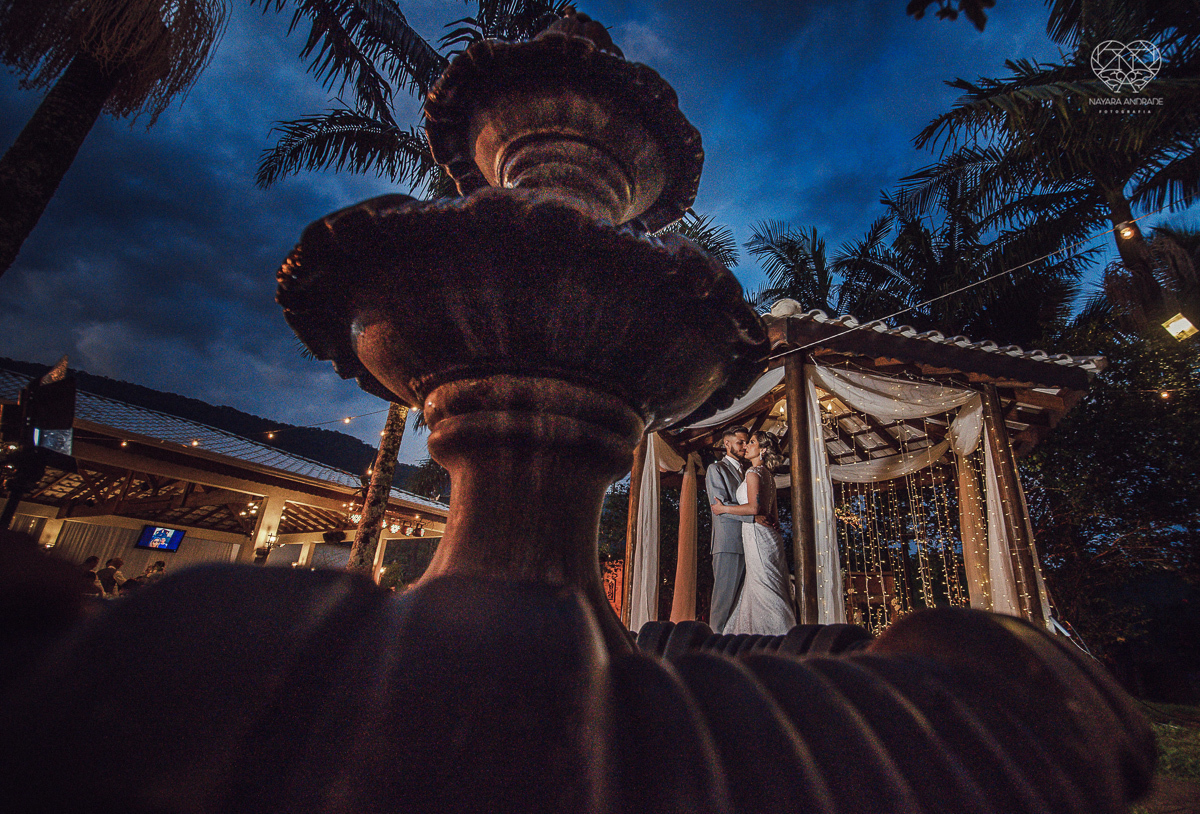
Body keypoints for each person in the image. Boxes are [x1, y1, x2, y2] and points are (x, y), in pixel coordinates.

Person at [711, 430, 796, 635]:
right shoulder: (767, 475)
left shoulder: (752, 473)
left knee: (763, 583)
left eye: (751, 442)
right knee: (765, 581)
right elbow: (772, 513)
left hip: (757, 535)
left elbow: (754, 509)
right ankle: (767, 632)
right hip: (767, 535)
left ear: (763, 449)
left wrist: (724, 509)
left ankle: (780, 632)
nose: (746, 446)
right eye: (745, 442)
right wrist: (770, 523)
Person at [705, 426, 755, 633]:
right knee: (723, 602)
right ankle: (715, 646)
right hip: (728, 542)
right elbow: (720, 508)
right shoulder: (715, 469)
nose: (744, 447)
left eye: (746, 442)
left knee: (741, 604)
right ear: (727, 444)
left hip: (750, 542)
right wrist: (755, 516)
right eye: (740, 442)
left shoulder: (747, 471)